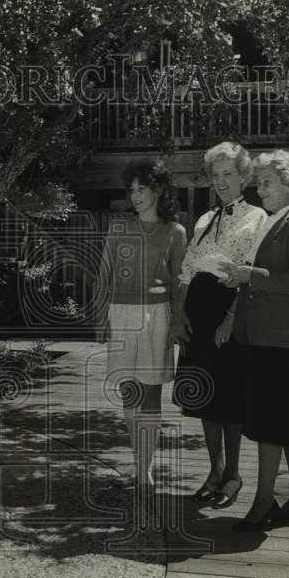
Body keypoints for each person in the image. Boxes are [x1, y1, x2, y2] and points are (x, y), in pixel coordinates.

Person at [224, 149, 289, 531]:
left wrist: (252, 275)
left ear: (288, 184)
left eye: (265, 182)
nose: (258, 189)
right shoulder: (273, 221)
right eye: (258, 182)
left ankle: (264, 502)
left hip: (283, 340)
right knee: (288, 421)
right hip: (265, 337)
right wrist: (241, 278)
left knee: (270, 424)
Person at [172, 142, 267, 509]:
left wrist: (232, 317)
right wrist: (179, 314)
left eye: (229, 174)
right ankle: (215, 471)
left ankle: (234, 475)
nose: (222, 181)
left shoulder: (256, 218)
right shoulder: (203, 220)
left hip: (228, 311)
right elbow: (187, 270)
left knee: (229, 400)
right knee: (204, 399)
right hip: (198, 310)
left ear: (244, 178)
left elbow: (249, 274)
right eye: (216, 175)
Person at [97, 159, 187, 488]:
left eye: (142, 189)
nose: (135, 195)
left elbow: (180, 282)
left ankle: (145, 470)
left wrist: (178, 322)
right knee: (128, 392)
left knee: (151, 394)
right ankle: (138, 461)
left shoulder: (175, 231)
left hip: (158, 316)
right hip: (121, 314)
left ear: (159, 190)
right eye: (132, 190)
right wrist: (100, 315)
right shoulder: (119, 226)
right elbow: (104, 273)